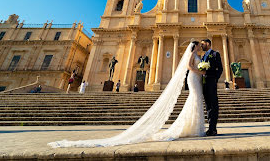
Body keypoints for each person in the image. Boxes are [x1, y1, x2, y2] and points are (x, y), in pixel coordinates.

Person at [48, 41, 206, 148]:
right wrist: (200, 70)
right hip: (194, 76)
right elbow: (189, 65)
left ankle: (194, 126)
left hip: (194, 78)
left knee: (194, 101)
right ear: (195, 47)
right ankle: (194, 127)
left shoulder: (196, 53)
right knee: (194, 101)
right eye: (199, 46)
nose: (200, 47)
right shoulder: (193, 55)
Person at [200, 38, 223, 136]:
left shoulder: (215, 54)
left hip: (211, 82)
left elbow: (220, 68)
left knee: (213, 105)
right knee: (208, 106)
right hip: (204, 84)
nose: (201, 46)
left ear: (208, 44)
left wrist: (215, 79)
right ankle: (210, 128)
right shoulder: (203, 56)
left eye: (203, 44)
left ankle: (213, 128)